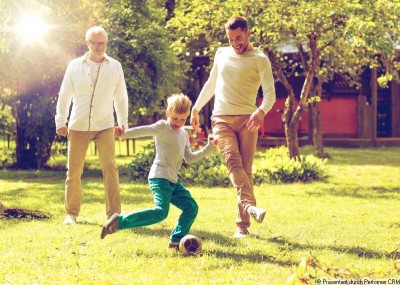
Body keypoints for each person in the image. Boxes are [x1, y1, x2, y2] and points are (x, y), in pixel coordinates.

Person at [190, 16, 276, 238]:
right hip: (221, 119)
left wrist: (260, 111)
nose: (235, 43)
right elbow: (211, 84)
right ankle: (250, 207)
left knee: (245, 171)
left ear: (248, 33)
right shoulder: (222, 53)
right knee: (233, 162)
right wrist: (196, 108)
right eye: (230, 39)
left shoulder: (260, 59)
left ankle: (242, 226)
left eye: (238, 38)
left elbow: (270, 95)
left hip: (248, 120)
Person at [100, 94, 217, 249]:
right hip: (160, 177)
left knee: (191, 207)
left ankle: (176, 240)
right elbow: (144, 130)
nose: (178, 123)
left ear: (187, 117)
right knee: (161, 212)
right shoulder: (162, 127)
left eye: (182, 119)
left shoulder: (184, 134)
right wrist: (123, 133)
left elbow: (189, 158)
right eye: (175, 118)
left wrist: (210, 147)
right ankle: (119, 221)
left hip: (173, 181)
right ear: (168, 113)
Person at [55, 26, 129, 225]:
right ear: (87, 43)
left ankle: (114, 214)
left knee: (110, 168)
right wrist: (61, 121)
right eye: (95, 42)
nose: (99, 46)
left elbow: (121, 97)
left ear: (106, 43)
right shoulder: (74, 66)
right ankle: (71, 214)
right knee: (74, 171)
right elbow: (64, 95)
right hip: (78, 125)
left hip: (105, 125)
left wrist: (123, 123)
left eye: (103, 42)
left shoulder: (115, 66)